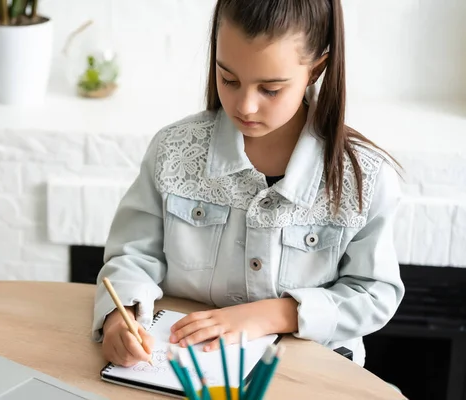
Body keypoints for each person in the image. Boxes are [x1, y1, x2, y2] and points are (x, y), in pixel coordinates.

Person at [91, 0, 405, 368]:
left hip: (310, 374)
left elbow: (374, 293)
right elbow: (133, 255)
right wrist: (119, 318)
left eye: (270, 89)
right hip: (181, 369)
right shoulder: (173, 151)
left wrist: (275, 314)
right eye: (229, 79)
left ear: (317, 68)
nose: (245, 106)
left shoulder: (366, 177)